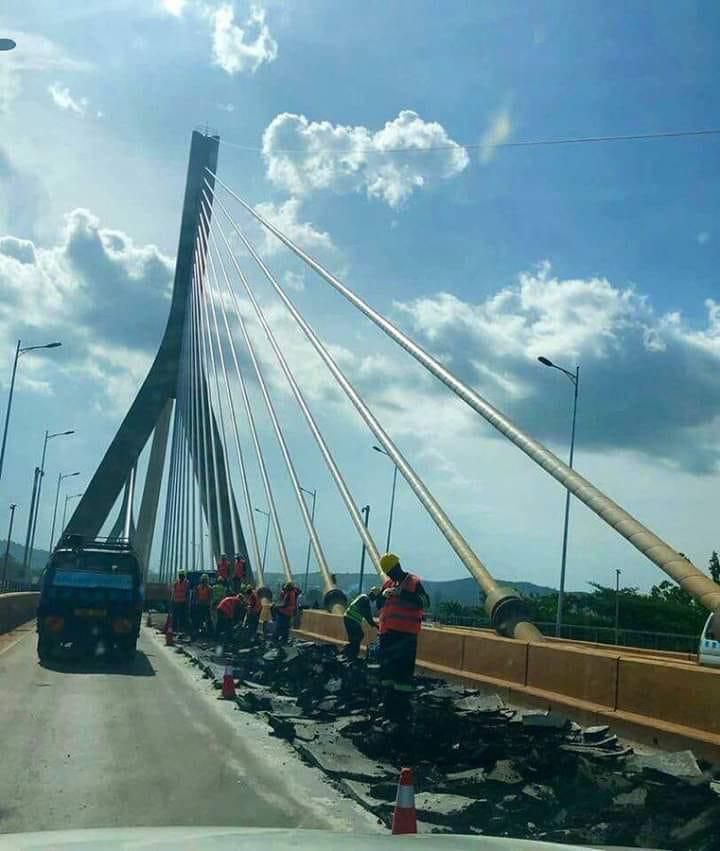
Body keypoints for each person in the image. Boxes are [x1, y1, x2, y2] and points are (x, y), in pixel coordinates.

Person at [376, 553, 429, 723]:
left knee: (402, 676)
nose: (392, 575)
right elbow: (379, 604)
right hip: (388, 636)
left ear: (398, 567)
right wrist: (381, 595)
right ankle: (388, 709)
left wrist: (402, 594)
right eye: (389, 573)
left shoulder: (413, 582)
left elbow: (424, 601)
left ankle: (401, 712)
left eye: (393, 571)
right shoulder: (388, 584)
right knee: (387, 675)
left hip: (405, 637)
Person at [343, 587, 380, 659]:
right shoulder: (365, 600)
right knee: (358, 635)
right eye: (375, 597)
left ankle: (347, 653)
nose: (374, 600)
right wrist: (376, 626)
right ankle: (351, 655)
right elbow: (367, 615)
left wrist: (373, 624)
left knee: (354, 638)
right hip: (351, 619)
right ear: (373, 595)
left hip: (348, 618)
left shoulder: (363, 596)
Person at [193, 573, 213, 637]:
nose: (204, 581)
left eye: (205, 580)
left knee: (208, 619)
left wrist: (209, 604)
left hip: (206, 605)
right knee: (199, 619)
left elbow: (210, 597)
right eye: (203, 580)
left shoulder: (209, 588)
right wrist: (196, 602)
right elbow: (196, 596)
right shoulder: (198, 587)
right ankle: (198, 630)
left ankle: (209, 631)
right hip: (200, 605)